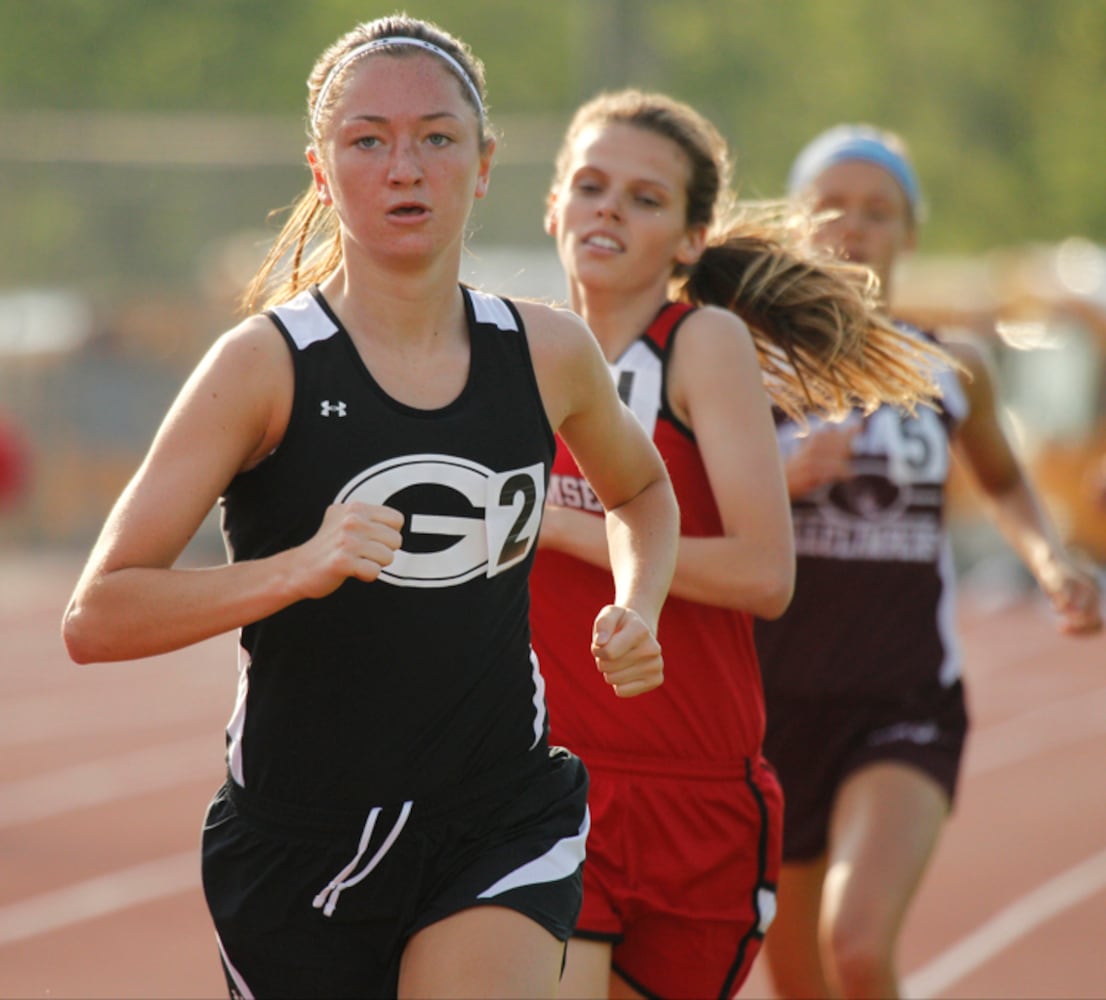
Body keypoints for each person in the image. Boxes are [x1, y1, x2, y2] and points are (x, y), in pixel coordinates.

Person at [61, 16, 682, 999]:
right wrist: (294, 570)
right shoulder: (262, 367)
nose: (405, 166)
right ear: (320, 170)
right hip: (299, 842)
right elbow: (97, 616)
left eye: (437, 137)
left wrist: (637, 603)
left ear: (481, 166)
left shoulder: (548, 352)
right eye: (367, 140)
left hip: (497, 815)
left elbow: (641, 491)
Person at [528, 91, 948, 1000]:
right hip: (550, 783)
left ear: (689, 239)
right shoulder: (508, 350)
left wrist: (560, 530)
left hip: (695, 791)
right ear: (552, 205)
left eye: (644, 198)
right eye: (591, 186)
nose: (608, 208)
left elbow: (765, 573)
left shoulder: (700, 345)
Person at [755, 123, 1104, 1000]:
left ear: (910, 233)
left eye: (879, 211)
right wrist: (779, 475)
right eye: (831, 206)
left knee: (860, 944)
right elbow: (670, 496)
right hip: (766, 704)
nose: (854, 226)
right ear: (795, 222)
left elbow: (1004, 482)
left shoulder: (952, 366)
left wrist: (1051, 562)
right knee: (797, 980)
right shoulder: (740, 361)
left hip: (903, 701)